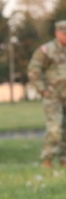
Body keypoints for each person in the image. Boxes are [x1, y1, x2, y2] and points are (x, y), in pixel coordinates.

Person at [26, 20, 66, 168]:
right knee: (55, 128)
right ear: (57, 33)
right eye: (64, 34)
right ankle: (48, 159)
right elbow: (34, 69)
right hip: (53, 96)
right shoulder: (46, 50)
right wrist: (42, 89)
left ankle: (64, 159)